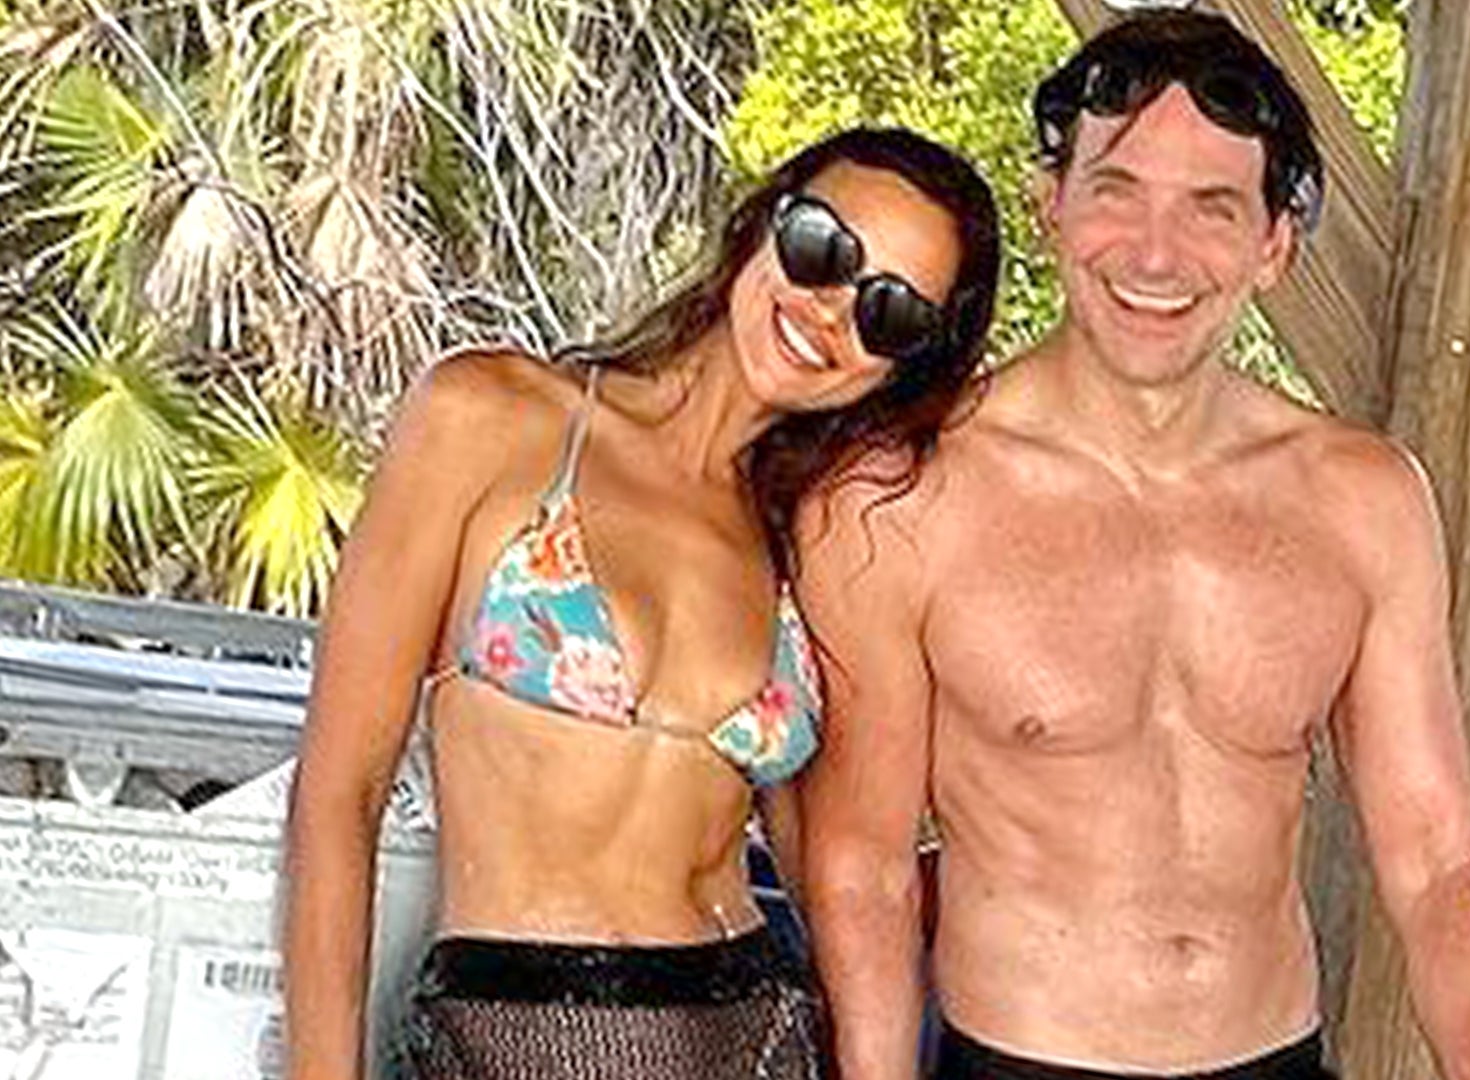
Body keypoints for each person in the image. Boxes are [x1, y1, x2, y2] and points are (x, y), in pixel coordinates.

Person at [797, 12, 1470, 1080]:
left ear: (1273, 245)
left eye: (1212, 208)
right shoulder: (899, 499)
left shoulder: (1365, 502)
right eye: (1117, 190)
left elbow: (1437, 861)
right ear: (1051, 203)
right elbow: (866, 869)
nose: (1154, 253)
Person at [281, 126, 1001, 1080]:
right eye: (822, 249)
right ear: (763, 222)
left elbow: (836, 870)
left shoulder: (811, 538)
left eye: (890, 313)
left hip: (760, 1036)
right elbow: (338, 796)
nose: (831, 311)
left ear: (903, 366)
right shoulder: (490, 417)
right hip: (512, 1037)